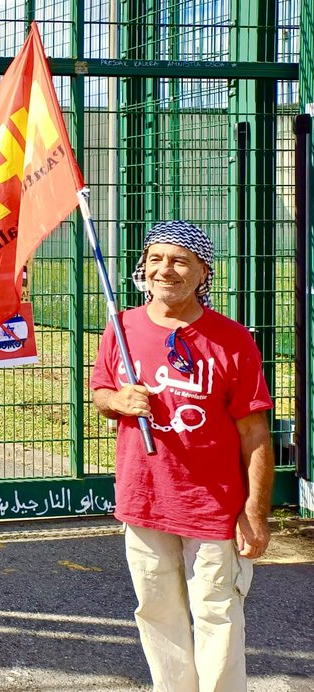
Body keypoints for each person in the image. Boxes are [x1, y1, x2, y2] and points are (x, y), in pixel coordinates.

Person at [90, 220, 274, 692]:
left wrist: (254, 512)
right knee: (156, 611)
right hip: (144, 499)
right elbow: (101, 393)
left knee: (217, 613)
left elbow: (255, 432)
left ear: (202, 272)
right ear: (142, 267)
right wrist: (119, 401)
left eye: (179, 261)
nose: (164, 270)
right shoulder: (122, 327)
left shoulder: (232, 340)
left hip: (212, 505)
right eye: (155, 259)